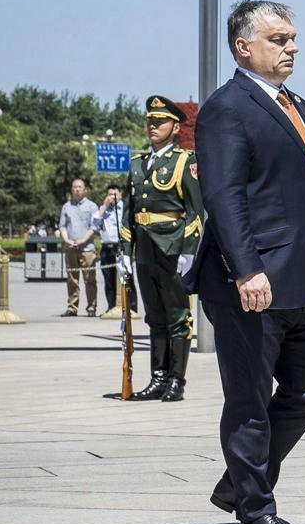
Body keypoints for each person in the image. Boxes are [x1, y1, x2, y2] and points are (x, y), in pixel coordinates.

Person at [189, 0, 305, 524]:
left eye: (293, 38)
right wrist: (246, 269)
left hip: (304, 280)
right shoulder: (225, 109)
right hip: (249, 286)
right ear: (244, 47)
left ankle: (239, 482)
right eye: (279, 39)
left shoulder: (301, 108)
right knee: (249, 401)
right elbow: (224, 197)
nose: (292, 47)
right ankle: (256, 514)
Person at [120, 100, 203, 399]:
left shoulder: (185, 162)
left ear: (175, 127)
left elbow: (196, 213)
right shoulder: (137, 164)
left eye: (160, 121)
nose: (153, 126)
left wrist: (188, 252)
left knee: (178, 315)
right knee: (154, 315)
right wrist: (124, 253)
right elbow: (129, 213)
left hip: (171, 246)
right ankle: (158, 377)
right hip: (144, 248)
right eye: (151, 121)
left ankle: (176, 381)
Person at [58, 178, 100, 317]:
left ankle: (91, 308)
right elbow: (62, 226)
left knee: (90, 280)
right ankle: (72, 307)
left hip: (87, 248)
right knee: (72, 279)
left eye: (79, 187)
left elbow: (94, 227)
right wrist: (67, 240)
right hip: (70, 247)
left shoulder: (92, 206)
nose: (77, 189)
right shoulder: (66, 206)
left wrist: (81, 241)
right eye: (74, 187)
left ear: (85, 190)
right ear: (72, 189)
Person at [92, 187, 134, 317]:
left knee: (127, 279)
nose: (112, 197)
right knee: (109, 280)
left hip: (120, 246)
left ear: (121, 195)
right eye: (109, 194)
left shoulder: (125, 208)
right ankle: (111, 307)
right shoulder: (103, 210)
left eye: (115, 194)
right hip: (106, 247)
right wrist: (104, 206)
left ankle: (131, 307)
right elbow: (95, 223)